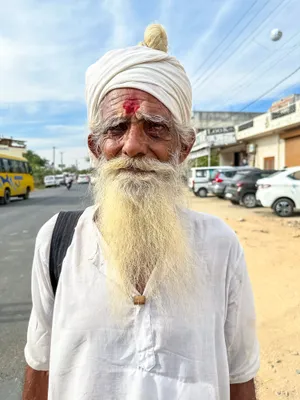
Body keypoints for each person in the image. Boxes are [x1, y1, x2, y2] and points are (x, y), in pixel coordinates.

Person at [23, 24, 259, 400]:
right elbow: (40, 364)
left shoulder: (219, 245)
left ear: (184, 147)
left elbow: (240, 374)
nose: (133, 146)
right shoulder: (56, 241)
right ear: (96, 147)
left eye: (156, 128)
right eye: (117, 128)